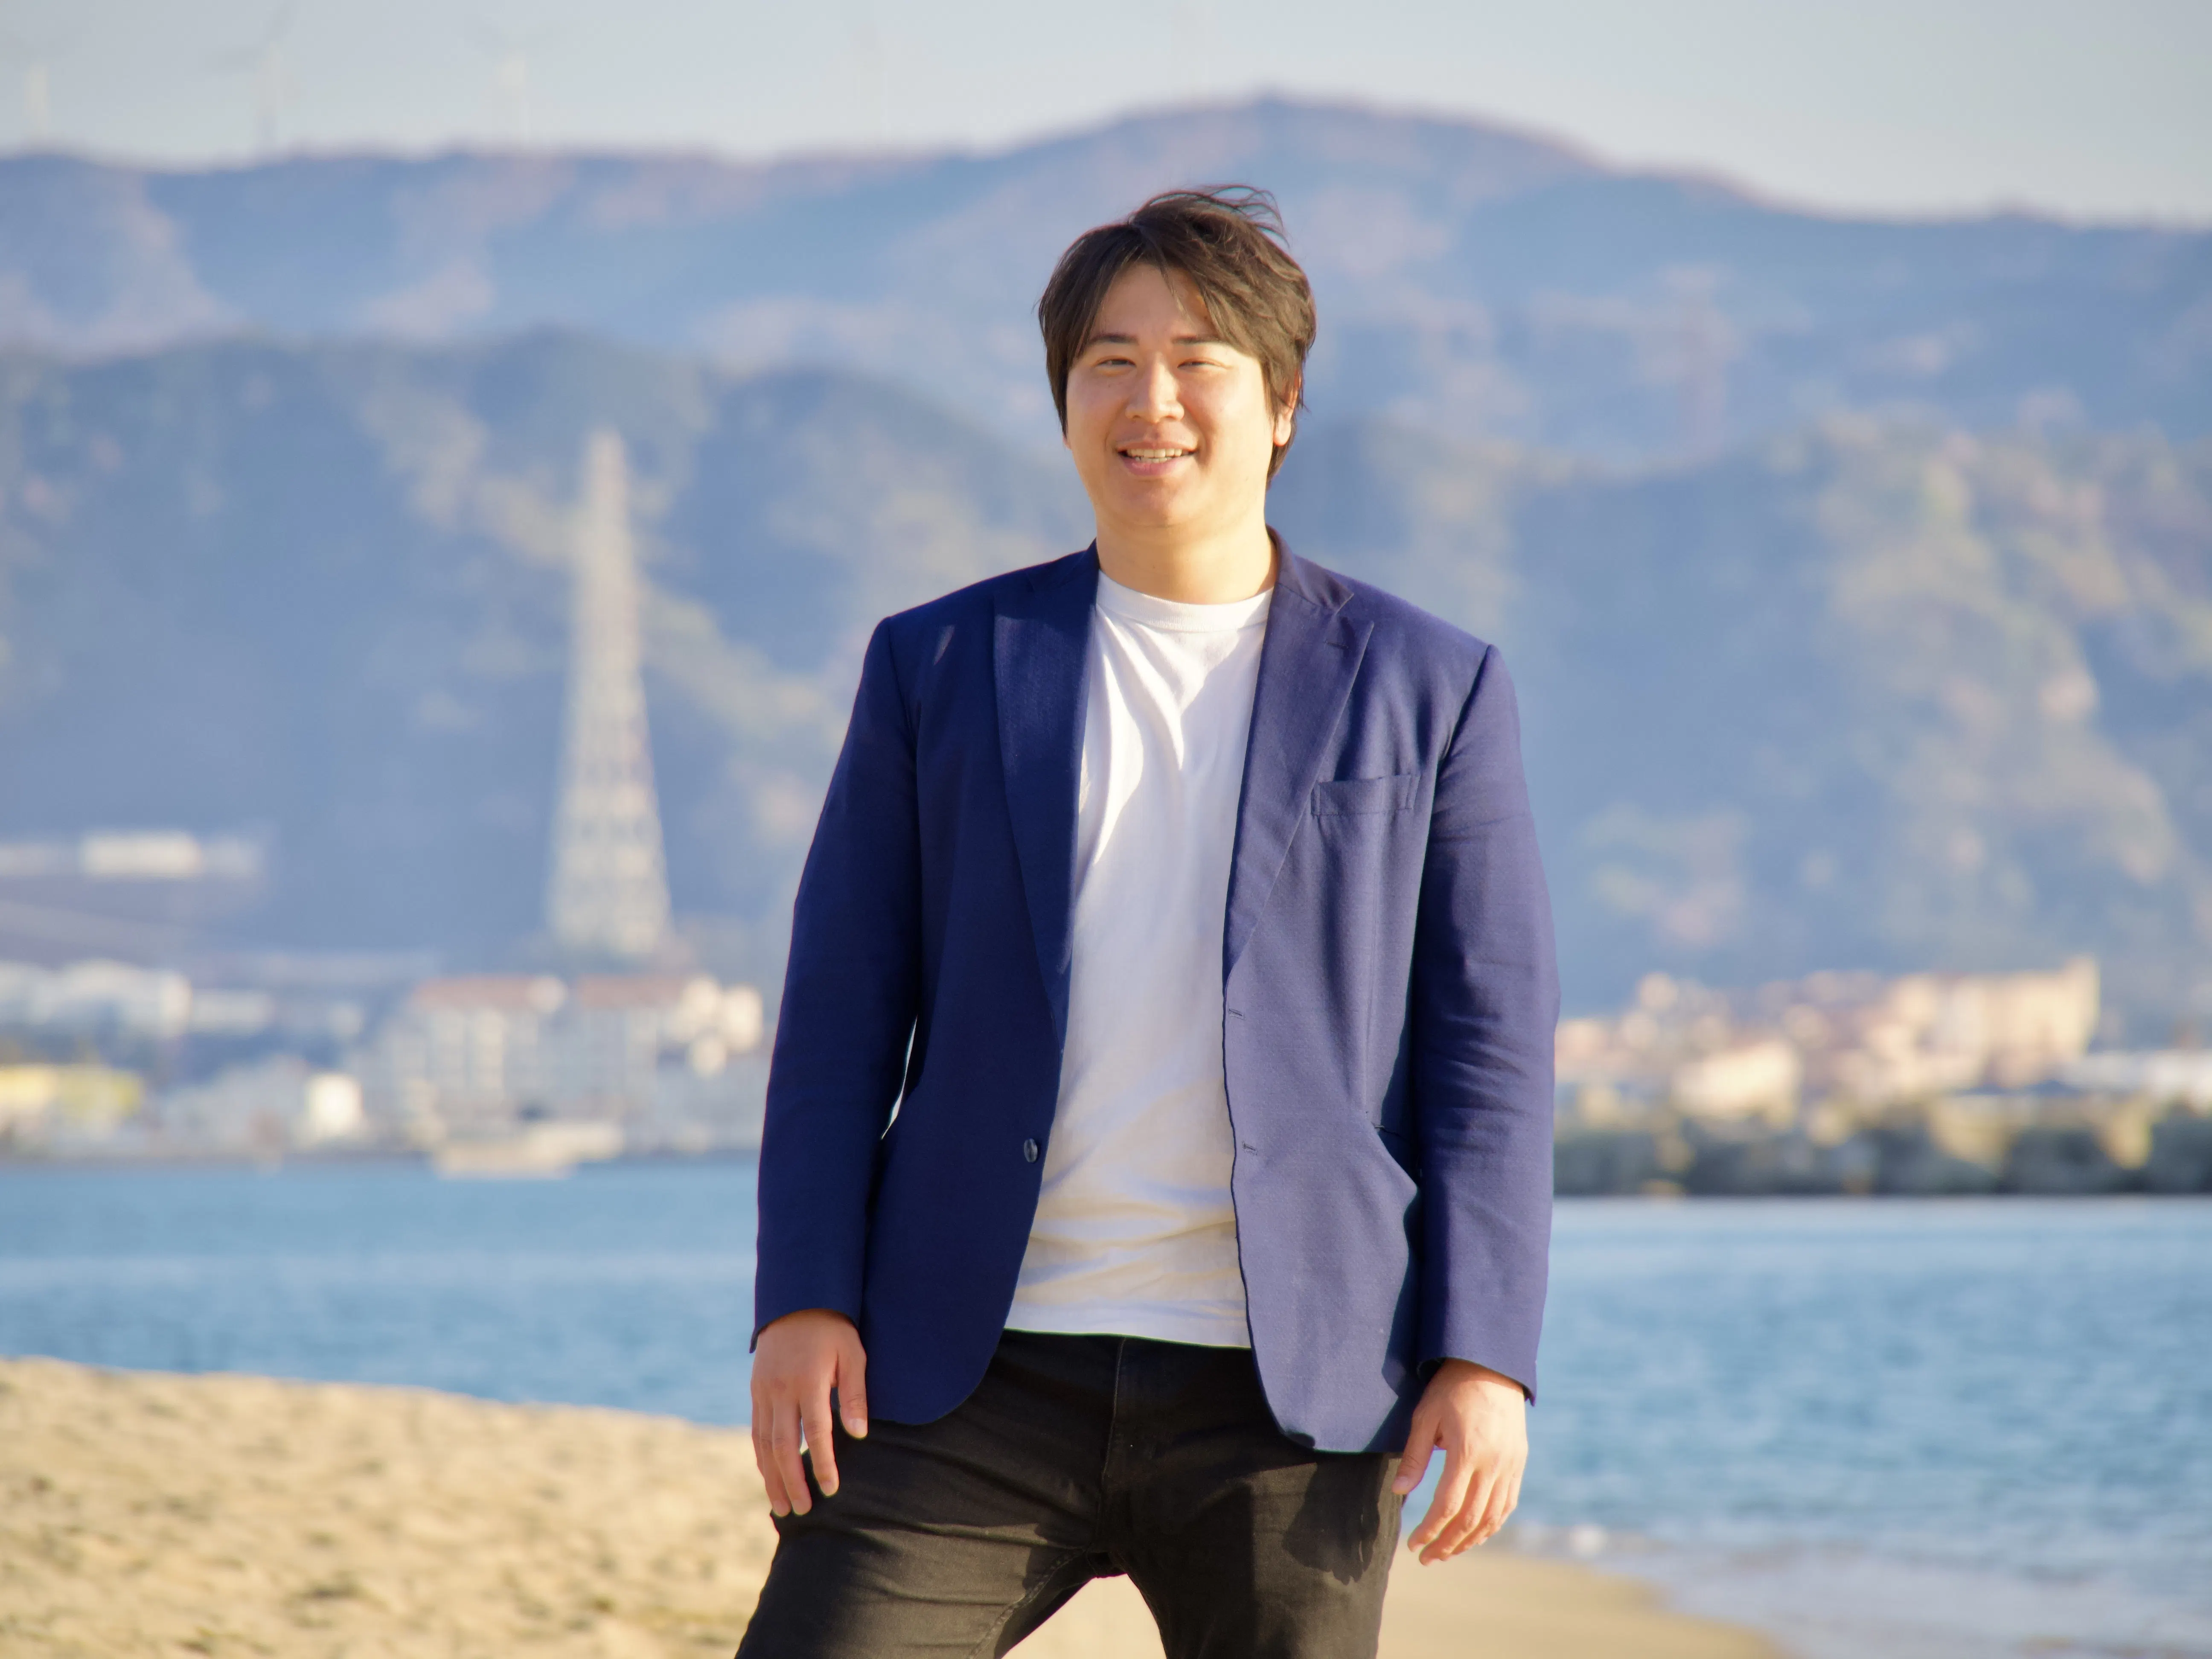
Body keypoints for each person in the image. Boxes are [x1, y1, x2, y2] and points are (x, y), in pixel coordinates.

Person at [737, 186, 1558, 1659]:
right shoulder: (942, 663)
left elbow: (1488, 1054)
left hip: (1286, 1395)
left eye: (1198, 362)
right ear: (1064, 403)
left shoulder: (1429, 687)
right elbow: (838, 1019)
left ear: (1283, 404)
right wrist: (802, 1301)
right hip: (967, 1371)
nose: (1151, 400)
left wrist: (1483, 1353)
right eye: (1108, 362)